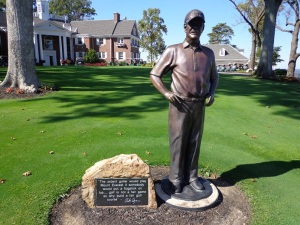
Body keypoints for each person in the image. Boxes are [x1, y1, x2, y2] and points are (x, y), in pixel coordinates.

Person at [150, 9, 219, 193]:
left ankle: (192, 176)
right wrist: (166, 93)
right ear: (185, 27)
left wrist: (211, 93)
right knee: (178, 141)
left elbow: (215, 78)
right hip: (179, 105)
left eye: (198, 24)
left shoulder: (209, 54)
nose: (194, 28)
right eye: (191, 24)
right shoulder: (173, 50)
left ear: (203, 27)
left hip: (199, 105)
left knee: (195, 142)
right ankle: (175, 178)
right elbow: (155, 74)